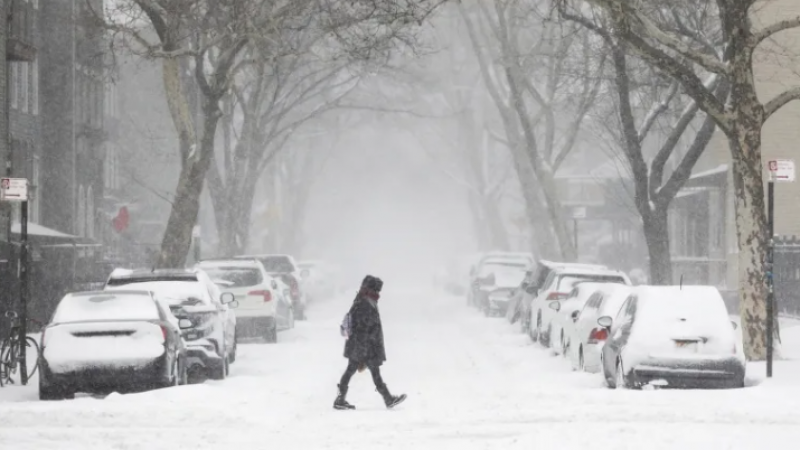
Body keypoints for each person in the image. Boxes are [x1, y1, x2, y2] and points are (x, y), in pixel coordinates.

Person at [334, 275, 406, 410]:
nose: (379, 294)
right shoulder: (364, 303)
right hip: (363, 346)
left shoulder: (364, 300)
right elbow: (363, 328)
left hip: (362, 346)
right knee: (366, 371)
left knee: (355, 371)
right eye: (378, 290)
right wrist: (364, 351)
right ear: (372, 289)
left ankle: (341, 399)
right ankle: (387, 399)